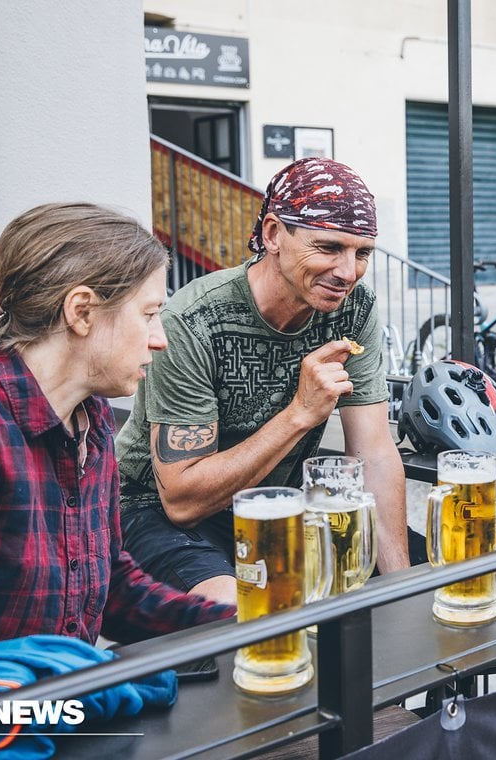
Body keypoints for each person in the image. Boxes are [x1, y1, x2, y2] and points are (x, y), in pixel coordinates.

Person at [0, 203, 235, 649]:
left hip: (58, 711)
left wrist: (245, 621)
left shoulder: (91, 417)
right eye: (148, 314)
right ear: (81, 311)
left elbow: (110, 588)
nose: (159, 338)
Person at [116, 157, 410, 605]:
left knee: (435, 573)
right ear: (273, 234)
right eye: (329, 247)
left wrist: (400, 593)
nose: (348, 272)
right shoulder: (193, 321)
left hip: (277, 506)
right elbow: (182, 500)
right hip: (153, 514)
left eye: (362, 252)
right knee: (248, 615)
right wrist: (299, 414)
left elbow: (373, 453)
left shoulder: (354, 309)